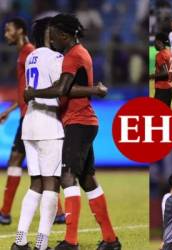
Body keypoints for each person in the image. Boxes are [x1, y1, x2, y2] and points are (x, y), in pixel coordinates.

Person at [24, 14, 121, 250]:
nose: (52, 38)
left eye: (55, 34)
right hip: (83, 121)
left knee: (66, 176)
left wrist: (32, 93)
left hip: (78, 122)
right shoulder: (80, 52)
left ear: (64, 34)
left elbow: (62, 89)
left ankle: (71, 241)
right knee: (87, 180)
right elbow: (70, 89)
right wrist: (94, 89)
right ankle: (110, 240)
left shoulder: (71, 56)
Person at [0, 17, 65, 225]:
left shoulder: (29, 52)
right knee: (25, 163)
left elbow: (34, 87)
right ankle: (56, 212)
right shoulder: (24, 53)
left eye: (8, 29)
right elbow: (23, 90)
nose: (5, 34)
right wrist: (10, 109)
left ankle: (5, 212)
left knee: (22, 162)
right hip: (25, 113)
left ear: (20, 30)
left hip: (32, 115)